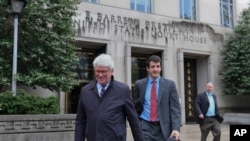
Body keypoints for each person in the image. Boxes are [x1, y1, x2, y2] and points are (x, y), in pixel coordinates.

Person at [74, 54, 145, 141]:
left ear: (111, 71)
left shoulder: (123, 90)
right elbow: (80, 121)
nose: (100, 75)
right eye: (97, 71)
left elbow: (133, 121)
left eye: (103, 71)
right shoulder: (86, 91)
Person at [133, 55, 181, 141]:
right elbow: (136, 107)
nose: (155, 69)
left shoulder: (170, 85)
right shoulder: (139, 84)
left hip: (164, 128)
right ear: (148, 68)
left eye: (158, 66)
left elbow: (175, 108)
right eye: (152, 67)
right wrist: (138, 125)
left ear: (161, 68)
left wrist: (176, 128)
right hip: (145, 126)